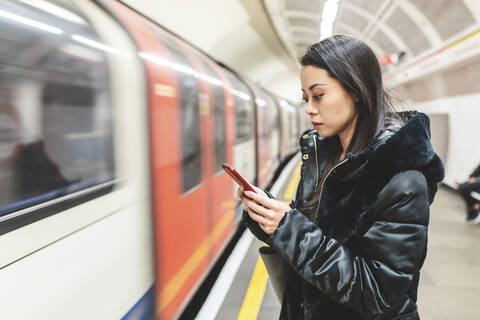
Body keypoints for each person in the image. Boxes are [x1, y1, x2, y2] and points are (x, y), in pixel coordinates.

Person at [237, 35, 445, 320]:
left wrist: (289, 227)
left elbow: (379, 293)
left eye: (318, 95)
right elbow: (313, 238)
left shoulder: (402, 179)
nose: (309, 108)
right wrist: (270, 218)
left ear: (356, 90)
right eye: (305, 98)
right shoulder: (326, 159)